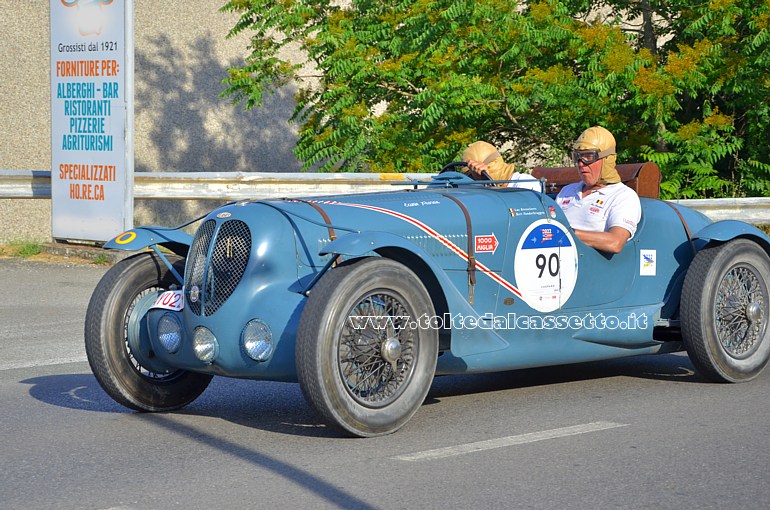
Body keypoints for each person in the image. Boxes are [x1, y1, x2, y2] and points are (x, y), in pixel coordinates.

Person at [555, 126, 641, 254]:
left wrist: (567, 233)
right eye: (577, 157)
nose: (580, 163)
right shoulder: (566, 192)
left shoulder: (623, 196)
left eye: (588, 156)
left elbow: (615, 242)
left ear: (607, 159)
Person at [462, 141, 541, 192]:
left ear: (494, 163)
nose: (474, 178)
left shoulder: (526, 184)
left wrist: (487, 184)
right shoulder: (471, 189)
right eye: (471, 175)